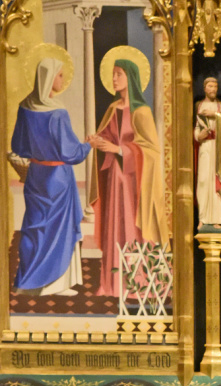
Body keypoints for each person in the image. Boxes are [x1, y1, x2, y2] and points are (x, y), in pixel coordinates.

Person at [89, 59, 170, 297]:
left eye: (119, 74)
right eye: (113, 74)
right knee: (116, 225)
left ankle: (140, 283)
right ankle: (113, 285)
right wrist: (95, 142)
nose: (114, 79)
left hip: (135, 183)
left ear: (130, 79)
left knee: (133, 227)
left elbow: (152, 151)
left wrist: (120, 150)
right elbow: (105, 136)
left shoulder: (142, 112)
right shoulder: (113, 109)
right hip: (116, 179)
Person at [11, 58, 90, 296]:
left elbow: (18, 146)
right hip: (57, 178)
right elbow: (72, 153)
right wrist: (88, 145)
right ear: (49, 77)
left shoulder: (25, 106)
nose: (63, 80)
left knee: (35, 228)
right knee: (58, 230)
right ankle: (55, 285)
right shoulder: (58, 113)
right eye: (60, 75)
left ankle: (27, 283)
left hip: (35, 176)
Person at [194, 77, 221, 231]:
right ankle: (202, 218)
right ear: (204, 88)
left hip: (218, 147)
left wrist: (215, 114)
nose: (213, 89)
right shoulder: (199, 105)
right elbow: (196, 126)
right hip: (205, 146)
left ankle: (218, 218)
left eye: (215, 86)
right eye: (210, 86)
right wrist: (197, 135)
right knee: (203, 181)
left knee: (217, 181)